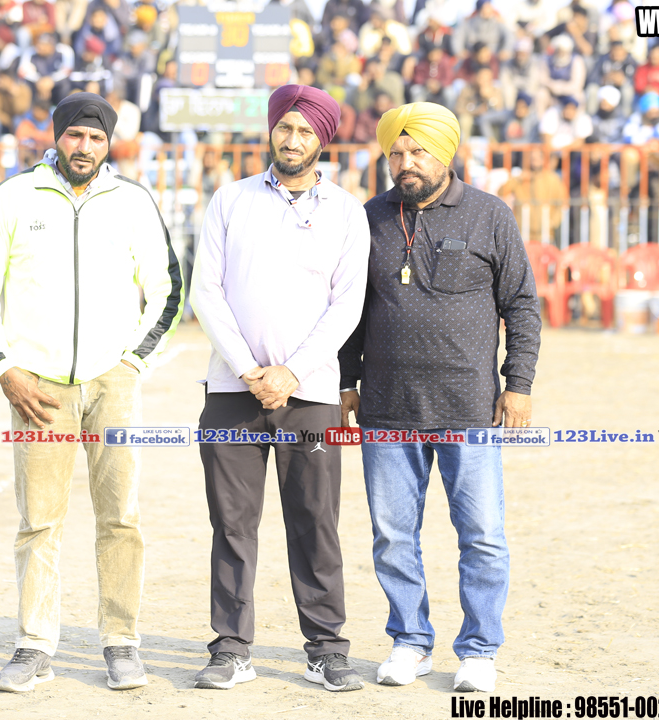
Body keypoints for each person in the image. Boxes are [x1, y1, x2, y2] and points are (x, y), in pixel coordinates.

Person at [0, 92, 184, 694]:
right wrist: (5, 368)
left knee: (121, 518)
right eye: (74, 135)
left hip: (113, 385)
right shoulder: (15, 196)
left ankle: (121, 642)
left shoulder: (132, 201)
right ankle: (34, 645)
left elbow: (168, 287)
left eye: (95, 137)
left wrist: (133, 362)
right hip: (37, 388)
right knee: (39, 521)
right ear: (56, 137)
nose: (84, 147)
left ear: (109, 142)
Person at [337, 101, 541, 693]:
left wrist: (519, 384)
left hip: (469, 406)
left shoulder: (488, 214)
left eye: (417, 151)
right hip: (386, 407)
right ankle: (410, 641)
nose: (405, 162)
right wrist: (347, 381)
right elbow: (349, 311)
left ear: (445, 154)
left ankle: (479, 650)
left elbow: (521, 305)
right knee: (392, 536)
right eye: (395, 152)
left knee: (481, 535)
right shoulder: (369, 218)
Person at [188, 84, 370, 693]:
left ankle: (326, 649)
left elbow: (347, 305)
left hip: (311, 397)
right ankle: (230, 649)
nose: (293, 140)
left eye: (305, 131)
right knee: (232, 525)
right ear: (271, 131)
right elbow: (206, 292)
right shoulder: (231, 199)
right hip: (231, 392)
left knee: (315, 522)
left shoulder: (345, 212)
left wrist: (292, 373)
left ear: (323, 140)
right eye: (285, 128)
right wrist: (249, 370)